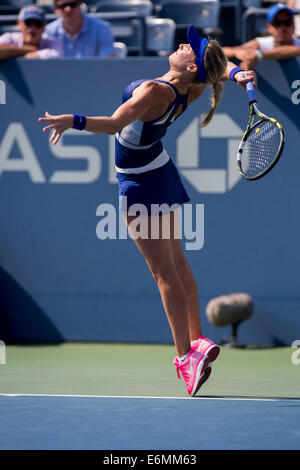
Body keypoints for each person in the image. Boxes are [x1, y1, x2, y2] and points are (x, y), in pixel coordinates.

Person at [39, 25, 257, 396]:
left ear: (192, 68)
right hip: (161, 169)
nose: (186, 43)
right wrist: (237, 73)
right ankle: (197, 341)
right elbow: (218, 68)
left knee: (163, 274)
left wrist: (70, 120)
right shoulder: (193, 88)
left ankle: (185, 357)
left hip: (140, 182)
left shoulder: (155, 90)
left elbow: (113, 124)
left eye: (194, 47)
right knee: (179, 264)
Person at [223, 3, 300, 70]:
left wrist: (257, 55)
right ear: (268, 27)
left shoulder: (298, 44)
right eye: (277, 23)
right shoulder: (260, 42)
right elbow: (220, 52)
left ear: (293, 25)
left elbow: (295, 50)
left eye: (287, 22)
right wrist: (236, 52)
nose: (282, 27)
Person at [46, 0, 117, 58]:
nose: (68, 9)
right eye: (63, 6)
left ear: (80, 4)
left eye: (72, 4)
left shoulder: (102, 28)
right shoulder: (48, 31)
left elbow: (107, 64)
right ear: (55, 9)